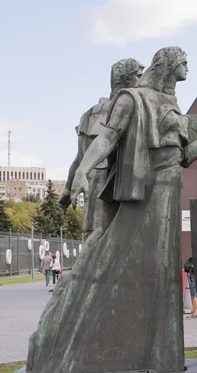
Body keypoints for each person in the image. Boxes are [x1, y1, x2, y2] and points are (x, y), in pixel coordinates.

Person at [26, 47, 197, 373]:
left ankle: (161, 356)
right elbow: (107, 139)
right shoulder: (134, 99)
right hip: (148, 190)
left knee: (161, 272)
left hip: (171, 189)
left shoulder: (170, 103)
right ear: (169, 65)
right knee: (110, 261)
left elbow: (185, 156)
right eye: (183, 62)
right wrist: (84, 170)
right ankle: (68, 343)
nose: (187, 67)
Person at [59, 59, 144, 248]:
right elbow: (81, 156)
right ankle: (80, 274)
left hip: (100, 181)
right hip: (112, 181)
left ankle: (81, 274)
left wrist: (67, 189)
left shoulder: (88, 114)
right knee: (104, 236)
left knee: (103, 236)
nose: (142, 79)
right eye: (139, 75)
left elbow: (79, 158)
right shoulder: (129, 106)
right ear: (127, 79)